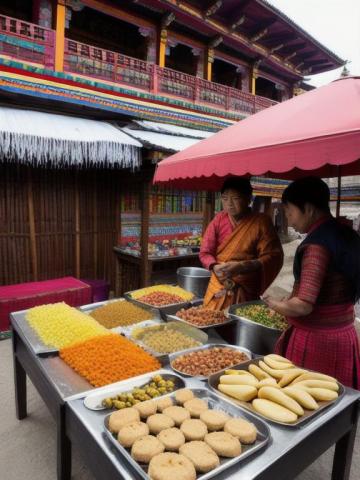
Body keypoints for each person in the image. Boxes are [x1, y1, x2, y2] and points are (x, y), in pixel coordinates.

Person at [263, 177, 360, 389]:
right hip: (344, 335)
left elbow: (304, 304)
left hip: (318, 342)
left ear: (307, 208)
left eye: (289, 211)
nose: (288, 219)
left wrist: (274, 304)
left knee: (311, 404)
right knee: (337, 404)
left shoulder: (317, 246)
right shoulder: (348, 234)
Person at [200, 177, 284, 311]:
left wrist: (243, 266)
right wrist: (214, 266)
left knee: (240, 325)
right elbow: (205, 252)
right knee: (210, 320)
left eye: (236, 198)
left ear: (248, 198)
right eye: (225, 198)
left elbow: (273, 256)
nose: (229, 204)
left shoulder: (261, 222)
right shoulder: (218, 220)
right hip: (219, 283)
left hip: (246, 287)